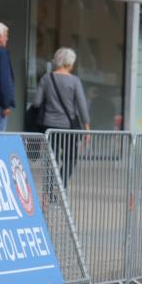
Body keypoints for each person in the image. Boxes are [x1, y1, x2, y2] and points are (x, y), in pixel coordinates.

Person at [35, 47, 90, 186]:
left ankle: (49, 192)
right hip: (67, 128)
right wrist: (87, 128)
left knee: (49, 160)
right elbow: (82, 106)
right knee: (70, 158)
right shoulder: (75, 81)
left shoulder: (46, 79)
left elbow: (36, 102)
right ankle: (60, 185)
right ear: (69, 63)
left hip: (48, 126)